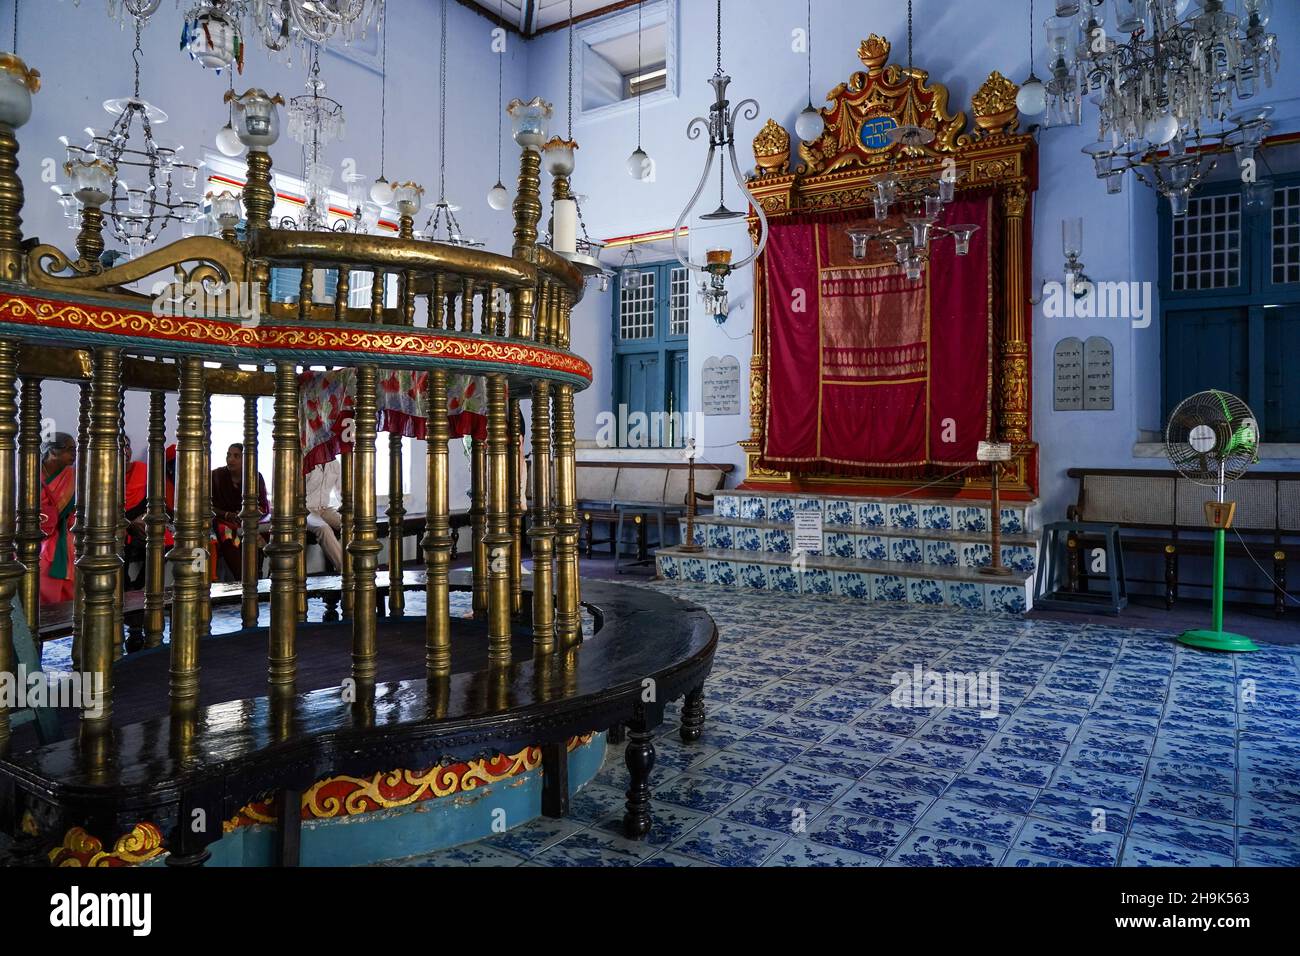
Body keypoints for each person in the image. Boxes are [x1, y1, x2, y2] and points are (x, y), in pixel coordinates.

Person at [211, 442, 269, 580]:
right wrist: (228, 514)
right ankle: (242, 578)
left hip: (247, 520)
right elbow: (206, 505)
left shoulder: (255, 477)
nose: (231, 459)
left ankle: (258, 577)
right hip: (224, 520)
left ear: (245, 460)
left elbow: (262, 506)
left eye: (236, 456)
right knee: (228, 534)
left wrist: (247, 514)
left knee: (260, 533)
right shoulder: (216, 476)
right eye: (228, 455)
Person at [38, 432, 76, 605]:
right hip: (36, 538)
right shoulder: (32, 473)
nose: (74, 454)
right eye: (69, 450)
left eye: (75, 450)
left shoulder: (72, 477)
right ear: (52, 451)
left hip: (65, 535)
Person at [305, 457, 344, 571]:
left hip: (325, 508)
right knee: (323, 528)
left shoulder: (335, 464)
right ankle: (346, 570)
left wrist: (348, 511)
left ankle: (364, 565)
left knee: (350, 524)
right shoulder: (307, 461)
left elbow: (341, 491)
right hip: (307, 510)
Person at [122, 435, 149, 589]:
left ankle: (138, 588)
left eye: (127, 446)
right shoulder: (103, 474)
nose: (125, 451)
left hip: (138, 521)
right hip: (117, 527)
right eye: (120, 446)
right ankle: (126, 589)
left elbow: (152, 500)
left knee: (163, 542)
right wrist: (128, 524)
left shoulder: (142, 469)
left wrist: (140, 518)